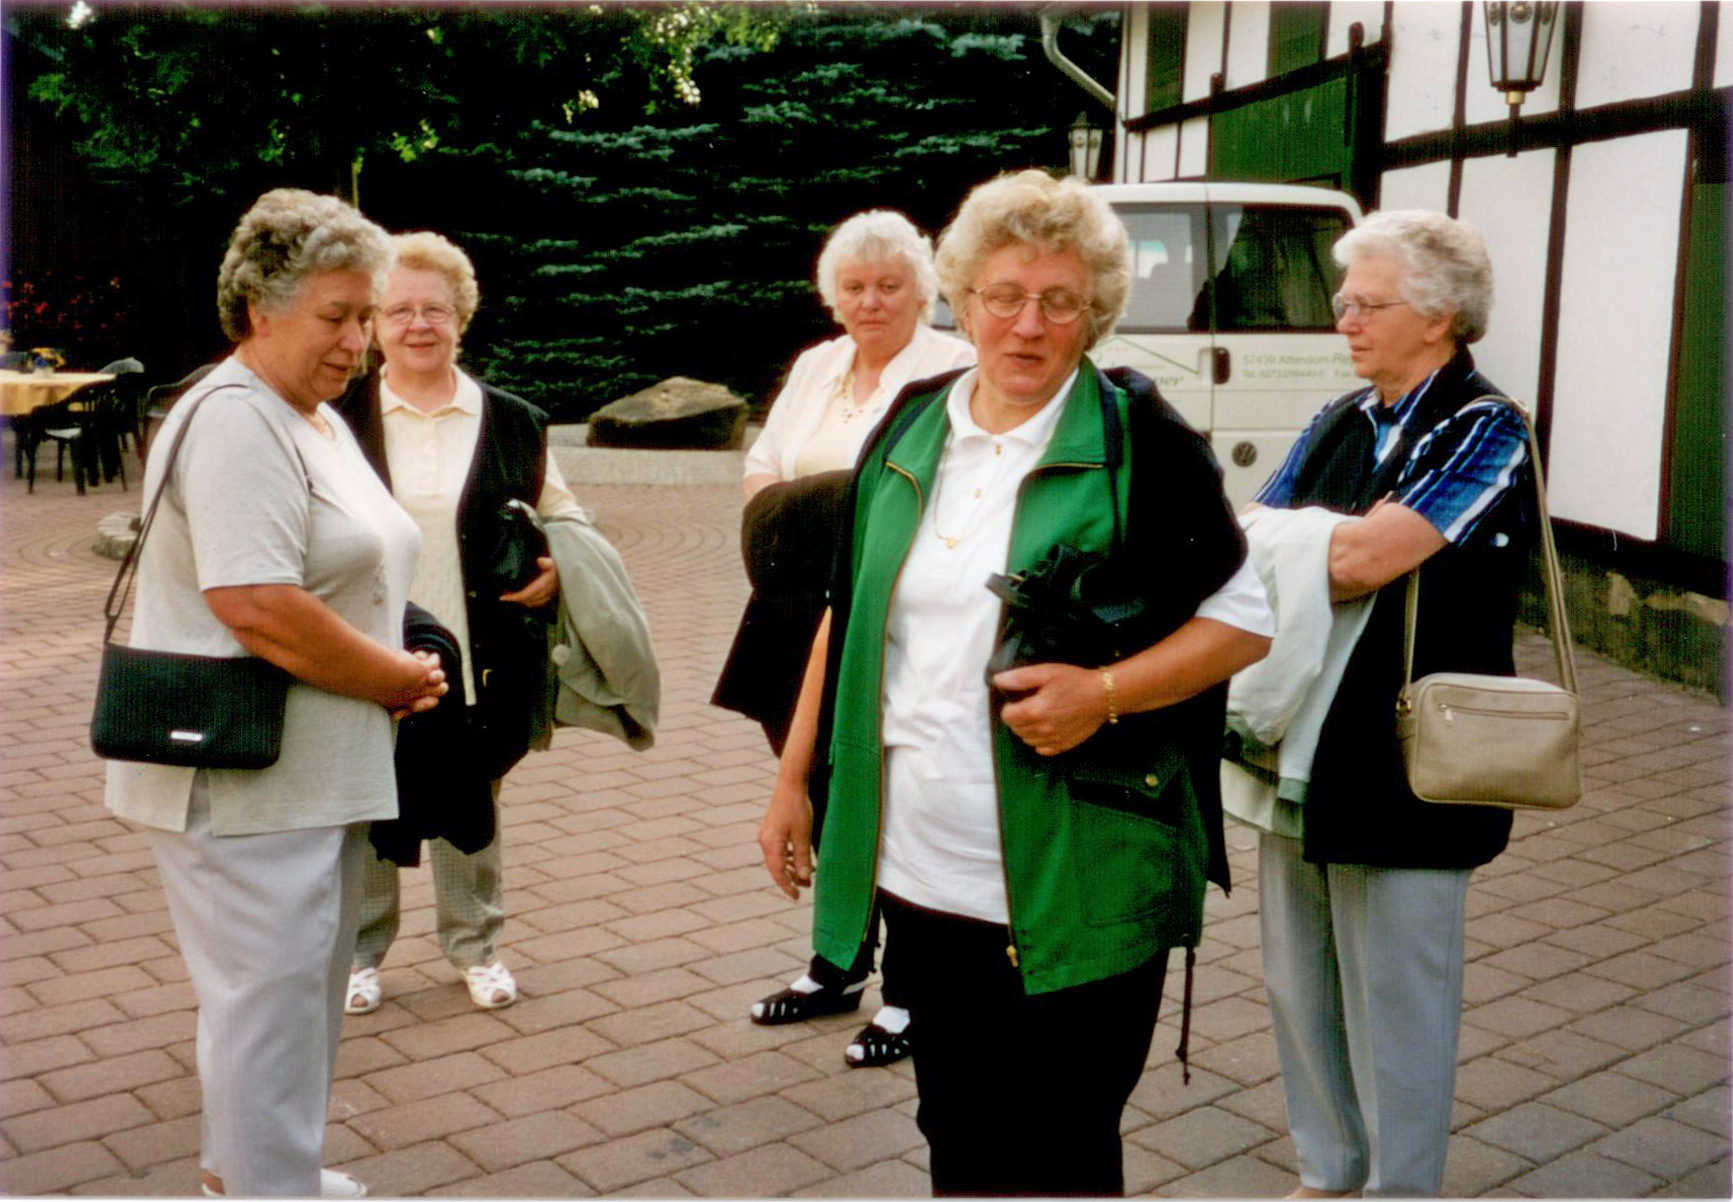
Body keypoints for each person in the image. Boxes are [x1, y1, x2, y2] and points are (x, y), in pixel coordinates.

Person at [756, 169, 1273, 1196]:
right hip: (925, 870)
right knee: (957, 1133)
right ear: (961, 296)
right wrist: (792, 779)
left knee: (1063, 1147)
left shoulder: (1141, 444)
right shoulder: (908, 426)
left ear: (1095, 312)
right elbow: (848, 614)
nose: (1027, 324)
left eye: (1058, 301)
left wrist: (1102, 694)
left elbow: (1241, 624)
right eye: (1003, 295)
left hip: (1082, 869)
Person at [103, 188, 447, 1199]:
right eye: (336, 316)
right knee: (269, 1002)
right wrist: (390, 675)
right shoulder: (235, 420)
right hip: (244, 777)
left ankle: (254, 1172)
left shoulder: (309, 417)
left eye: (365, 316)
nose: (357, 341)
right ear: (259, 307)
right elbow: (254, 601)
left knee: (289, 996)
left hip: (304, 772)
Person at [1244, 210, 1532, 1198]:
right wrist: (1302, 542)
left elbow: (1364, 560)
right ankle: (1326, 1172)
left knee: (1396, 996)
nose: (1344, 321)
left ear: (1438, 316)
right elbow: (1252, 541)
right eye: (1344, 302)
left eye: (1366, 304)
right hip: (1300, 738)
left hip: (1408, 753)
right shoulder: (1340, 416)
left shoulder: (1486, 426)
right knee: (1295, 979)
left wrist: (1300, 542)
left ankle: (1397, 1189)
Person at [715, 210, 973, 1068]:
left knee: (890, 790)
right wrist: (800, 515)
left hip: (888, 614)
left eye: (889, 285)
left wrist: (808, 509)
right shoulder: (816, 366)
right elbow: (761, 465)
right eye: (854, 286)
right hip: (794, 608)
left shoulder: (948, 369)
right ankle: (837, 962)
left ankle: (911, 992)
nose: (870, 302)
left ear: (921, 291)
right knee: (820, 787)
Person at [334, 232, 589, 1015]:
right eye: (398, 310)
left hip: (483, 656)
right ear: (374, 324)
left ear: (461, 318)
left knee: (470, 807)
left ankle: (475, 947)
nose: (418, 324)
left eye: (434, 309)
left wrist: (557, 568)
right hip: (366, 650)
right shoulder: (334, 416)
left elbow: (565, 517)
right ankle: (359, 955)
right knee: (369, 801)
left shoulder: (511, 420)